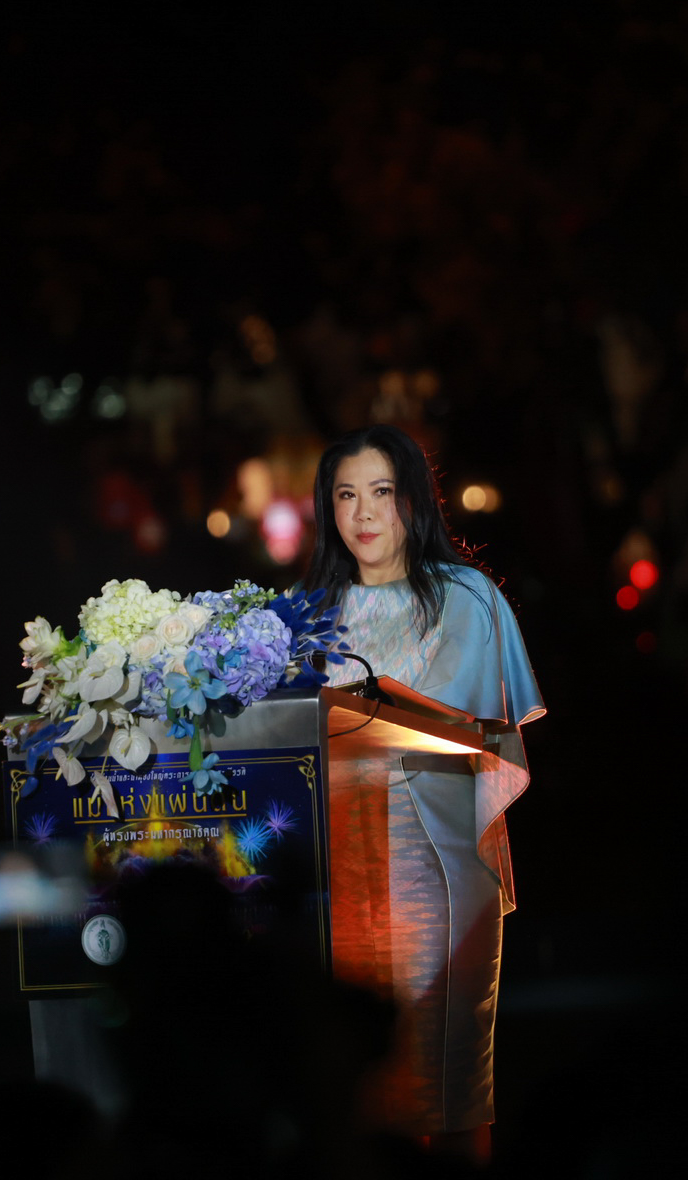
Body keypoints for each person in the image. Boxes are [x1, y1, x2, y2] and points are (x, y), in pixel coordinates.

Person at [301, 424, 545, 1163]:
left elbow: (461, 724)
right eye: (347, 495)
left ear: (413, 500)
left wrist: (345, 707)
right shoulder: (307, 611)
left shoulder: (463, 596)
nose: (364, 513)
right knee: (362, 1088)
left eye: (381, 492)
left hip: (434, 861)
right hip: (340, 872)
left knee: (450, 1081)